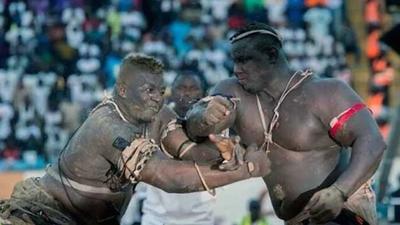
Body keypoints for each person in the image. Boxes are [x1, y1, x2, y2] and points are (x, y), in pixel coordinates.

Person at [0, 53, 271, 225]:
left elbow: (188, 151)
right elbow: (167, 177)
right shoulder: (107, 124)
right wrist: (247, 169)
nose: (156, 97)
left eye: (160, 90)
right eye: (148, 89)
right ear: (122, 90)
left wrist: (226, 149)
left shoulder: (158, 115)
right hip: (44, 216)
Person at [186, 22, 386, 225]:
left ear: (272, 56)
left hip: (339, 212)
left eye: (245, 60)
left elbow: (373, 141)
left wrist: (339, 192)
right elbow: (195, 129)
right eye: (235, 61)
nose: (237, 69)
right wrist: (203, 116)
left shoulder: (326, 92)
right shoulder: (232, 91)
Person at [123, 71, 216, 225]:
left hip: (200, 217)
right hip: (157, 216)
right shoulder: (152, 120)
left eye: (193, 88)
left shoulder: (214, 124)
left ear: (204, 93)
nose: (186, 93)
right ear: (171, 93)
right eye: (181, 87)